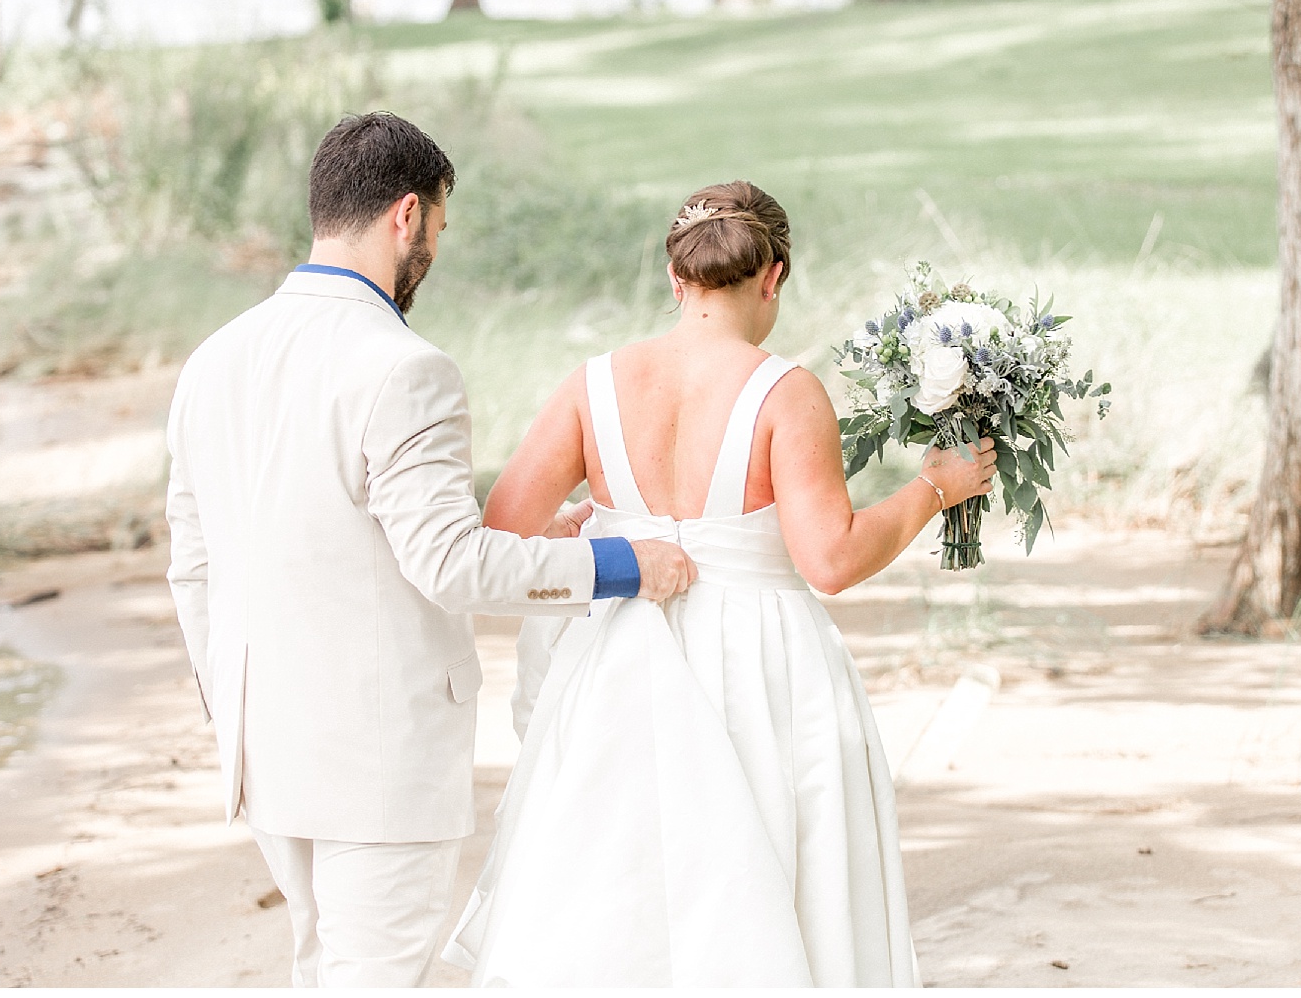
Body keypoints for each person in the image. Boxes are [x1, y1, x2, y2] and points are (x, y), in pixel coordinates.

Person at [163, 112, 697, 988]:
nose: (433, 255)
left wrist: (232, 701)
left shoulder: (213, 362)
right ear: (406, 215)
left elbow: (197, 567)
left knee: (322, 969)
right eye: (439, 229)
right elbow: (449, 566)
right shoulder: (403, 367)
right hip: (376, 754)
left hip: (265, 745)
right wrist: (622, 564)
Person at [443, 180, 997, 986]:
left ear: (676, 280)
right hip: (762, 677)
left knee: (612, 892)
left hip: (615, 673)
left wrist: (579, 532)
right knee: (761, 894)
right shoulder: (785, 391)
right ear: (772, 276)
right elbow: (832, 558)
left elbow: (503, 531)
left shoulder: (592, 384)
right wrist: (935, 488)